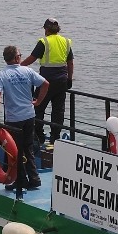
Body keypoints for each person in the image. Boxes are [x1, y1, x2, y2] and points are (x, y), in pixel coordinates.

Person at [0, 44, 49, 192]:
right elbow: (45, 84)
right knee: (27, 148)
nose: (21, 57)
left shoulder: (2, 75)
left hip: (14, 118)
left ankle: (20, 180)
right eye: (20, 55)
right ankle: (34, 178)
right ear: (16, 58)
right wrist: (38, 101)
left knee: (14, 151)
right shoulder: (27, 70)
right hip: (29, 115)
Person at [21, 17, 73, 147]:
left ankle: (39, 136)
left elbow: (32, 58)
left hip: (46, 80)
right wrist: (69, 79)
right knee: (58, 111)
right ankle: (55, 139)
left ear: (46, 29)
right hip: (62, 81)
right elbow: (70, 62)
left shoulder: (44, 42)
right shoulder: (65, 41)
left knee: (38, 108)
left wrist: (19, 67)